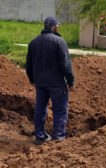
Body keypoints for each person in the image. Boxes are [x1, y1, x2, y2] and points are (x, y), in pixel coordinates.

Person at [26, 16, 75, 145]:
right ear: (54, 27)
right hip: (57, 83)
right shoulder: (59, 41)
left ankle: (40, 136)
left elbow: (29, 64)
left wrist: (32, 79)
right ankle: (58, 137)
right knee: (60, 109)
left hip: (40, 83)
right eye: (57, 26)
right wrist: (70, 81)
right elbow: (65, 64)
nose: (58, 28)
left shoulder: (33, 42)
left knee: (40, 108)